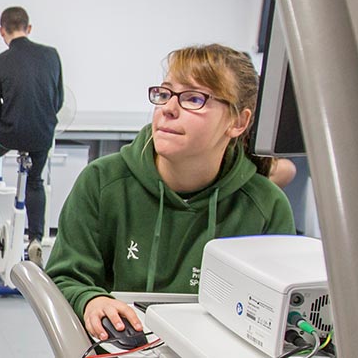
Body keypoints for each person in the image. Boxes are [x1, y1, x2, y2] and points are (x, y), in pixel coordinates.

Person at [46, 44, 295, 342]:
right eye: (165, 94)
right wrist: (90, 299)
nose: (168, 109)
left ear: (238, 122)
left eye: (193, 98)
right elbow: (65, 277)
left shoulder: (266, 207)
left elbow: (280, 311)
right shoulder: (102, 182)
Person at [0, 6, 64, 244]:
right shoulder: (52, 55)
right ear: (28, 28)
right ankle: (36, 240)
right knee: (35, 179)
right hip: (43, 133)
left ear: (2, 31)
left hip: (10, 133)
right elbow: (58, 100)